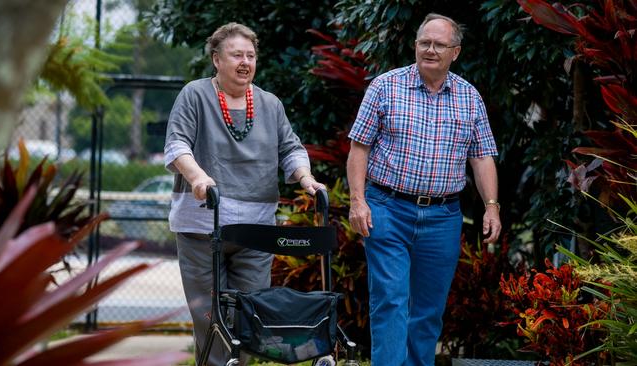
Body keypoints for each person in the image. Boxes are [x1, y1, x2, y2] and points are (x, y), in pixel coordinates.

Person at [164, 22, 324, 366]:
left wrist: (306, 178)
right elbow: (177, 144)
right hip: (202, 225)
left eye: (250, 55)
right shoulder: (195, 94)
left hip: (256, 229)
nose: (245, 62)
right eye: (237, 55)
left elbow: (290, 149)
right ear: (216, 59)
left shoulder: (269, 103)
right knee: (209, 317)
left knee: (248, 316)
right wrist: (197, 177)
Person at [346, 13, 501, 366]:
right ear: (415, 46)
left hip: (443, 216)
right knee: (390, 300)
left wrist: (491, 205)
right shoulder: (385, 86)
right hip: (387, 208)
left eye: (439, 44)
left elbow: (482, 157)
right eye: (424, 43)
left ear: (455, 52)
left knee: (429, 310)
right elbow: (359, 148)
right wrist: (358, 201)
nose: (430, 50)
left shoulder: (469, 97)